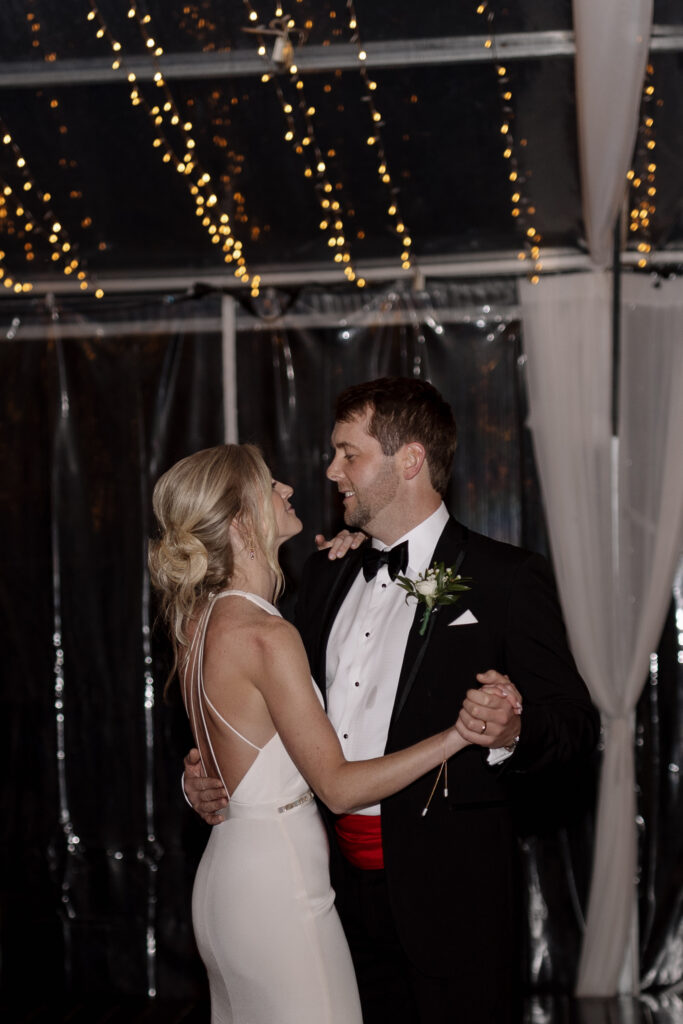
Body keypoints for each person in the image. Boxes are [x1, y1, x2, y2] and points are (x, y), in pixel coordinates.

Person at [184, 378, 600, 1024]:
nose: (330, 471)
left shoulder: (506, 579)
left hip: (451, 906)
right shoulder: (324, 573)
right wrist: (210, 768)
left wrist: (513, 730)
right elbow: (256, 702)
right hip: (328, 902)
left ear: (408, 461)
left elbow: (574, 725)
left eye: (348, 454)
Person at [149, 441, 520, 1024]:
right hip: (280, 886)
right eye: (271, 485)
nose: (290, 488)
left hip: (225, 879)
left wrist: (199, 775)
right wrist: (459, 735)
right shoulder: (268, 636)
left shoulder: (200, 619)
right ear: (245, 521)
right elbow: (341, 789)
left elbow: (238, 741)